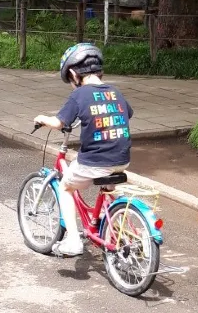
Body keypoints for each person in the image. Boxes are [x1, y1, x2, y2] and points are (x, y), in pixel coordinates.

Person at [34, 43, 133, 256]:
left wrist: (42, 119)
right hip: (122, 159)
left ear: (73, 73)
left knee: (65, 187)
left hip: (96, 161)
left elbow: (59, 122)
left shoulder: (80, 95)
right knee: (108, 188)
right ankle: (115, 228)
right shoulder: (115, 92)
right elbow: (128, 113)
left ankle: (72, 241)